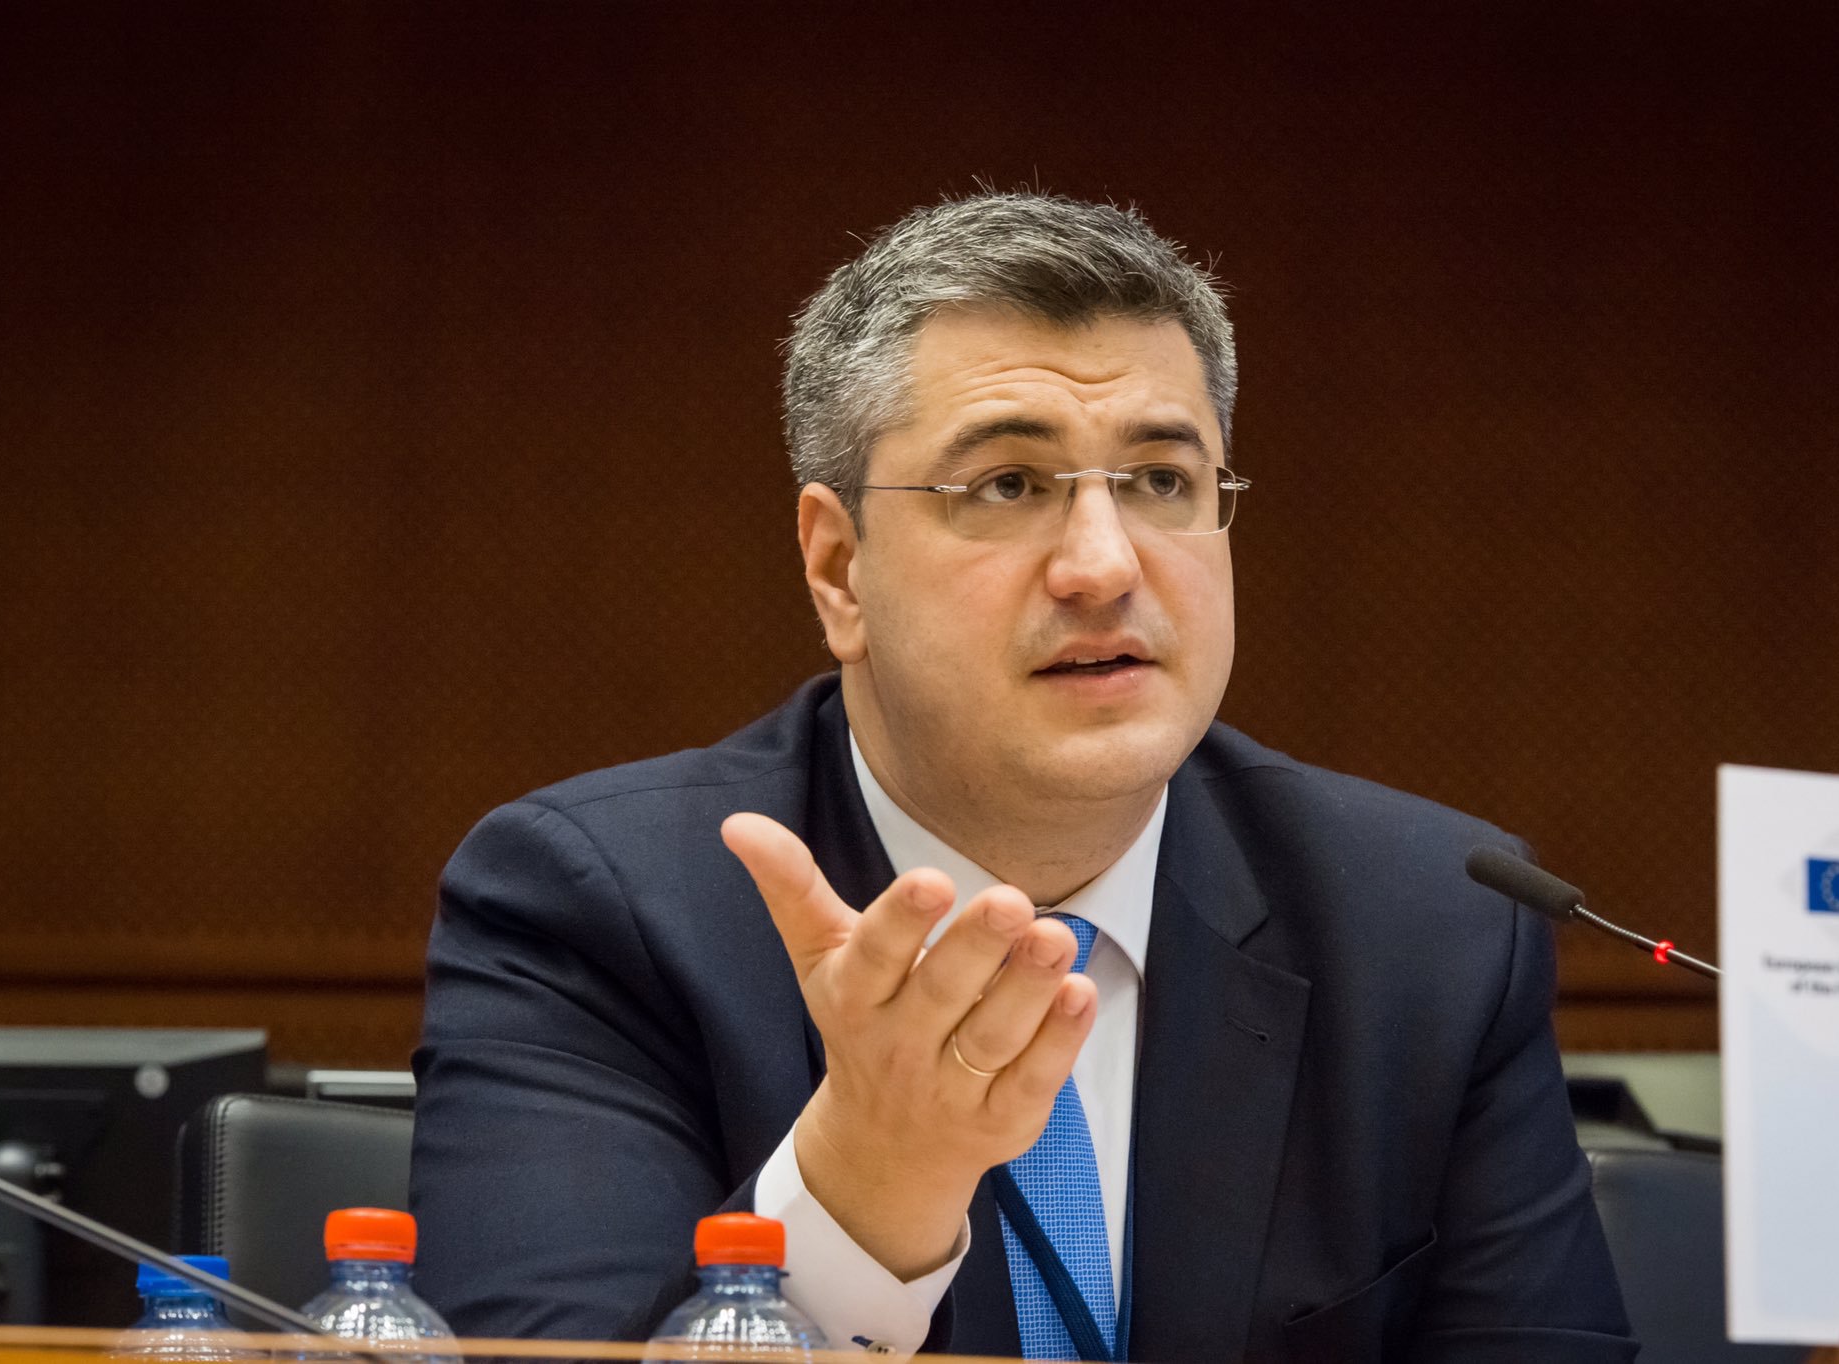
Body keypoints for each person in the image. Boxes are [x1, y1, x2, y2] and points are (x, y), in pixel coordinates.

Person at [409, 191, 1636, 1363]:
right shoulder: (596, 909)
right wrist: (866, 1186)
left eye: (1160, 480)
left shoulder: (1428, 928)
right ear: (838, 568)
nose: (1103, 565)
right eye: (1006, 484)